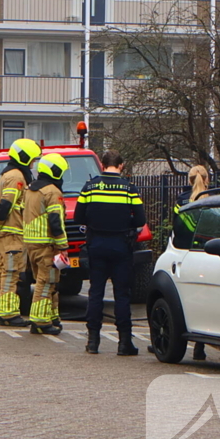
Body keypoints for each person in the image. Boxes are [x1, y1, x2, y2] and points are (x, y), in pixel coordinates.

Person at [74, 150, 146, 356]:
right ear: (121, 165)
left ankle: (93, 341)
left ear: (103, 165)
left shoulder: (90, 187)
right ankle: (124, 343)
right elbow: (140, 220)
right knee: (122, 294)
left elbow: (79, 217)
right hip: (121, 245)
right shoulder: (129, 189)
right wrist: (125, 223)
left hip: (96, 244)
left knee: (96, 292)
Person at [0, 138, 41, 326]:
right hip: (13, 234)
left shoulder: (9, 174)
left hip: (8, 234)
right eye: (32, 159)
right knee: (11, 274)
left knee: (3, 272)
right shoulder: (17, 177)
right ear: (24, 157)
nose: (33, 163)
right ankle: (8, 314)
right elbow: (5, 205)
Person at [23, 153, 69, 336]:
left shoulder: (30, 189)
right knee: (46, 283)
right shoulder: (52, 192)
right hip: (46, 245)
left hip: (31, 244)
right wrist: (63, 246)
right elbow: (56, 222)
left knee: (46, 281)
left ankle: (51, 316)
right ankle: (40, 321)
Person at [174, 165, 209, 361]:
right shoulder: (212, 199)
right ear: (207, 179)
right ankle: (200, 346)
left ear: (189, 180)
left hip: (185, 255)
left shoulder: (181, 200)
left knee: (181, 298)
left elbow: (177, 226)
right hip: (207, 255)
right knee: (203, 299)